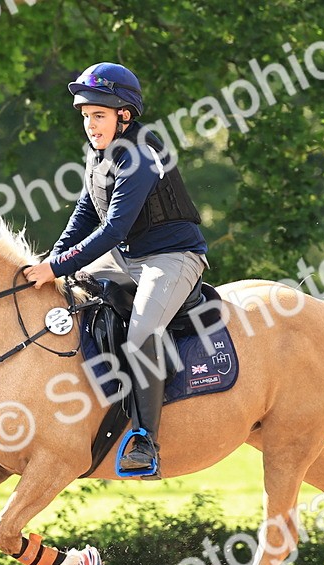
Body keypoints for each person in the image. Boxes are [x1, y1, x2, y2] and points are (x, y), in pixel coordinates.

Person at [24, 62, 208, 479]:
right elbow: (85, 213)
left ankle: (144, 439)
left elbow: (113, 230)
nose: (90, 124)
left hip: (172, 257)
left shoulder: (140, 156)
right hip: (127, 257)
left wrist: (56, 266)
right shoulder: (99, 155)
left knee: (142, 332)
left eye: (99, 115)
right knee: (66, 293)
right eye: (86, 116)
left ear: (124, 115)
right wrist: (53, 260)